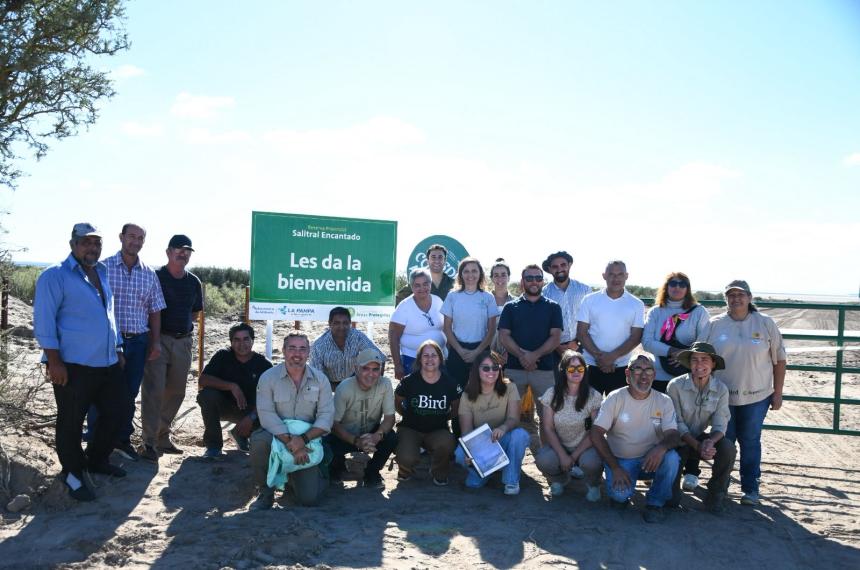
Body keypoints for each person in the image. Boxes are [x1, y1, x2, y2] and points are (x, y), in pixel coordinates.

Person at [33, 223, 128, 501]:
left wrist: (118, 347)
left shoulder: (102, 272)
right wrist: (54, 360)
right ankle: (72, 474)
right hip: (72, 366)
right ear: (73, 244)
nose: (92, 248)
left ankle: (96, 460)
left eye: (97, 243)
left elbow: (109, 314)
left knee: (118, 411)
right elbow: (44, 321)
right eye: (86, 242)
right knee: (70, 422)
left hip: (107, 363)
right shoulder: (55, 276)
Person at [706, 280, 786, 506]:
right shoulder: (714, 324)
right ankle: (721, 486)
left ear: (750, 298)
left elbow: (779, 359)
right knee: (725, 442)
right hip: (722, 396)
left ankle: (750, 488)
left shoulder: (765, 323)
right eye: (731, 295)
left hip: (757, 396)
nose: (736, 299)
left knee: (751, 441)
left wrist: (777, 393)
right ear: (726, 299)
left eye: (741, 295)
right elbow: (701, 359)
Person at [93, 223, 166, 461]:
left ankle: (122, 440)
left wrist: (155, 343)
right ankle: (95, 440)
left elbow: (155, 311)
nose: (135, 241)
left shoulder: (149, 273)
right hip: (106, 341)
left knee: (129, 392)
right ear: (121, 237)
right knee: (100, 391)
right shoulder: (102, 268)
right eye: (131, 236)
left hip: (138, 342)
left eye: (140, 238)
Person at [591, 355, 681, 523]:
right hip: (621, 462)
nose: (643, 376)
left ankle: (655, 504)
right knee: (620, 497)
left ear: (654, 375)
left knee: (672, 458)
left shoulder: (664, 401)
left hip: (650, 461)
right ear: (627, 374)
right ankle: (620, 492)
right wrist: (615, 467)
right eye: (638, 369)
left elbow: (673, 435)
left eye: (648, 370)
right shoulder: (615, 398)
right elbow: (596, 433)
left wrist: (660, 448)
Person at [249, 332, 334, 510]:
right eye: (292, 348)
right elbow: (266, 414)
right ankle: (265, 492)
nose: (297, 353)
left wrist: (302, 440)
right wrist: (291, 442)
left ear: (309, 352)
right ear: (283, 351)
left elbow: (326, 417)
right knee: (258, 441)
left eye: (302, 349)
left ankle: (300, 477)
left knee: (308, 499)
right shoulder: (268, 378)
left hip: (308, 438)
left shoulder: (321, 380)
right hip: (276, 436)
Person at [139, 234, 203, 462]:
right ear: (168, 252)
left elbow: (195, 313)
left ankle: (161, 435)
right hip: (157, 339)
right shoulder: (155, 277)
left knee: (177, 391)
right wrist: (154, 339)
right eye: (179, 249)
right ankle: (148, 442)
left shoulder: (194, 282)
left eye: (187, 250)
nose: (183, 253)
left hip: (183, 341)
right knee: (153, 391)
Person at [667, 342, 735, 513]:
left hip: (701, 439)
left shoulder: (721, 389)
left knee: (727, 447)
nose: (699, 365)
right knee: (672, 499)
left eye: (705, 360)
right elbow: (677, 423)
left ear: (713, 364)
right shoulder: (675, 386)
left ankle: (716, 494)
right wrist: (697, 445)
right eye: (695, 360)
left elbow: (721, 424)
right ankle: (671, 493)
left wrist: (710, 442)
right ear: (689, 364)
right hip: (678, 439)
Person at [454, 350, 529, 495]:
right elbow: (466, 431)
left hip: (502, 438)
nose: (491, 371)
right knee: (460, 456)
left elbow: (514, 418)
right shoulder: (467, 395)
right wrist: (471, 452)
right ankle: (486, 471)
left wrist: (503, 427)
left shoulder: (510, 388)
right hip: (481, 446)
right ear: (477, 370)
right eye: (486, 368)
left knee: (520, 435)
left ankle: (511, 481)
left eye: (495, 367)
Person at [498, 264, 563, 428]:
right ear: (522, 282)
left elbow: (555, 338)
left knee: (548, 419)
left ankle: (548, 452)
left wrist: (533, 356)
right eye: (529, 278)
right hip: (514, 370)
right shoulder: (510, 307)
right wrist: (522, 356)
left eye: (538, 278)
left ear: (543, 281)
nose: (534, 281)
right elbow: (504, 336)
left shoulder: (553, 307)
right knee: (508, 416)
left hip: (544, 371)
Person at [197, 323, 273, 459]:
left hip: (254, 412)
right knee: (206, 395)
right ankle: (213, 447)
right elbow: (202, 380)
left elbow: (270, 398)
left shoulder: (264, 364)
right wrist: (232, 386)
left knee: (273, 415)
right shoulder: (222, 356)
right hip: (225, 407)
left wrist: (251, 417)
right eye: (237, 340)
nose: (241, 344)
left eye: (246, 339)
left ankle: (240, 434)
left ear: (253, 341)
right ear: (231, 342)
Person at [535, 350, 603, 501]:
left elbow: (593, 430)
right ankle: (560, 479)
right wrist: (562, 455)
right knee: (544, 460)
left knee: (592, 462)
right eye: (571, 368)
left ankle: (593, 484)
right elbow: (548, 428)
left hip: (585, 446)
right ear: (563, 371)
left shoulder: (593, 396)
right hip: (559, 444)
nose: (576, 372)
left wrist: (572, 457)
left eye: (580, 368)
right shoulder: (551, 394)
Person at [326, 349, 397, 489]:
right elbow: (333, 424)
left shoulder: (385, 384)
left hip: (370, 434)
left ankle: (372, 472)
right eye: (365, 368)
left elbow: (390, 418)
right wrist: (356, 441)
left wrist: (377, 436)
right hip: (345, 435)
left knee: (391, 438)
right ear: (356, 368)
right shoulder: (344, 388)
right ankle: (337, 468)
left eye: (376, 369)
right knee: (327, 443)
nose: (371, 374)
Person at [394, 340, 460, 486]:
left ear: (440, 359)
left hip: (437, 429)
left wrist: (444, 417)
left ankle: (439, 472)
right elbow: (397, 401)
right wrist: (406, 415)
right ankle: (405, 471)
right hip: (410, 428)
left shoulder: (450, 383)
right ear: (419, 359)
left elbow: (456, 407)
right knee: (406, 456)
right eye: (425, 355)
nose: (430, 359)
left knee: (447, 443)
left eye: (434, 355)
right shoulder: (409, 381)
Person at [577, 261, 645, 395]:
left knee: (617, 413)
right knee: (588, 412)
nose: (616, 278)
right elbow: (582, 332)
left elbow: (636, 337)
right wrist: (600, 358)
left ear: (626, 276)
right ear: (604, 276)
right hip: (591, 365)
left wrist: (612, 357)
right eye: (611, 274)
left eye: (620, 274)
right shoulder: (589, 300)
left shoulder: (637, 304)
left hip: (621, 367)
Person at [642, 271, 711, 393]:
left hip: (688, 378)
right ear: (666, 286)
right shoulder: (655, 312)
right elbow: (647, 342)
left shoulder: (699, 312)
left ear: (687, 289)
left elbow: (704, 343)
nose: (677, 287)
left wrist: (684, 355)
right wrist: (673, 351)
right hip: (658, 377)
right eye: (673, 283)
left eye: (682, 284)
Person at [440, 257, 497, 394]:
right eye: (466, 271)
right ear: (460, 274)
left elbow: (492, 330)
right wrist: (459, 350)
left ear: (480, 274)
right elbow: (446, 327)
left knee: (481, 390)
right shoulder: (452, 296)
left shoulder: (488, 297)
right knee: (457, 390)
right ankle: (457, 416)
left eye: (474, 271)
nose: (470, 275)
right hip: (457, 349)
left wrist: (476, 352)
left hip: (481, 350)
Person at [388, 268, 446, 379]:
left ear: (430, 284)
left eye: (425, 284)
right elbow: (393, 336)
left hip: (438, 358)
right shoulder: (404, 307)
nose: (422, 288)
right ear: (411, 286)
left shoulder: (438, 301)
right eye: (417, 285)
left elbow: (445, 328)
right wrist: (397, 365)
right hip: (412, 360)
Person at [309, 306, 380, 390]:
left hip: (354, 382)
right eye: (337, 323)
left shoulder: (357, 336)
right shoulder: (318, 344)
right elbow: (317, 376)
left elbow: (379, 357)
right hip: (328, 385)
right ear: (330, 323)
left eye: (345, 323)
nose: (341, 327)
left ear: (350, 323)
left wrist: (375, 384)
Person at [541, 251, 591, 357]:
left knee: (582, 374)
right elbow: (542, 323)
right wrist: (556, 346)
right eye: (555, 266)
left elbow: (591, 319)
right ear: (550, 270)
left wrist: (577, 342)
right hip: (552, 350)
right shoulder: (543, 293)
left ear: (569, 265)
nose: (559, 269)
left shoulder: (584, 290)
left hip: (581, 347)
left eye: (563, 265)